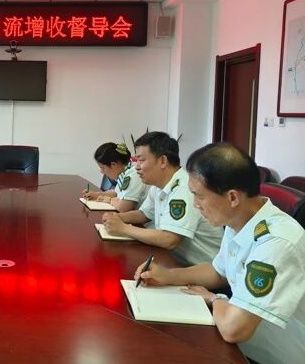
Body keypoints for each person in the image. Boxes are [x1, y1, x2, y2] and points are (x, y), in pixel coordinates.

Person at [134, 142, 305, 364]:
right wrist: (167, 276)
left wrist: (215, 299)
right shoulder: (240, 220)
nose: (195, 204)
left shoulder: (277, 241)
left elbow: (234, 329)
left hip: (274, 356)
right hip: (241, 345)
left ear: (233, 197)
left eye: (199, 196)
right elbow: (219, 272)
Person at [102, 132, 222, 265]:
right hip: (172, 259)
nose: (136, 166)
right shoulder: (158, 185)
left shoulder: (184, 187)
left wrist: (124, 229)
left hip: (201, 270)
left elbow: (170, 239)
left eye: (141, 160)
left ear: (163, 161)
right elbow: (144, 214)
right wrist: (118, 218)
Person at [82, 142, 148, 212]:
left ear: (113, 165)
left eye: (102, 168)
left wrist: (108, 200)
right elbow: (117, 193)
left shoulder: (134, 175)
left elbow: (123, 208)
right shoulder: (125, 170)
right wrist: (97, 194)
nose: (101, 172)